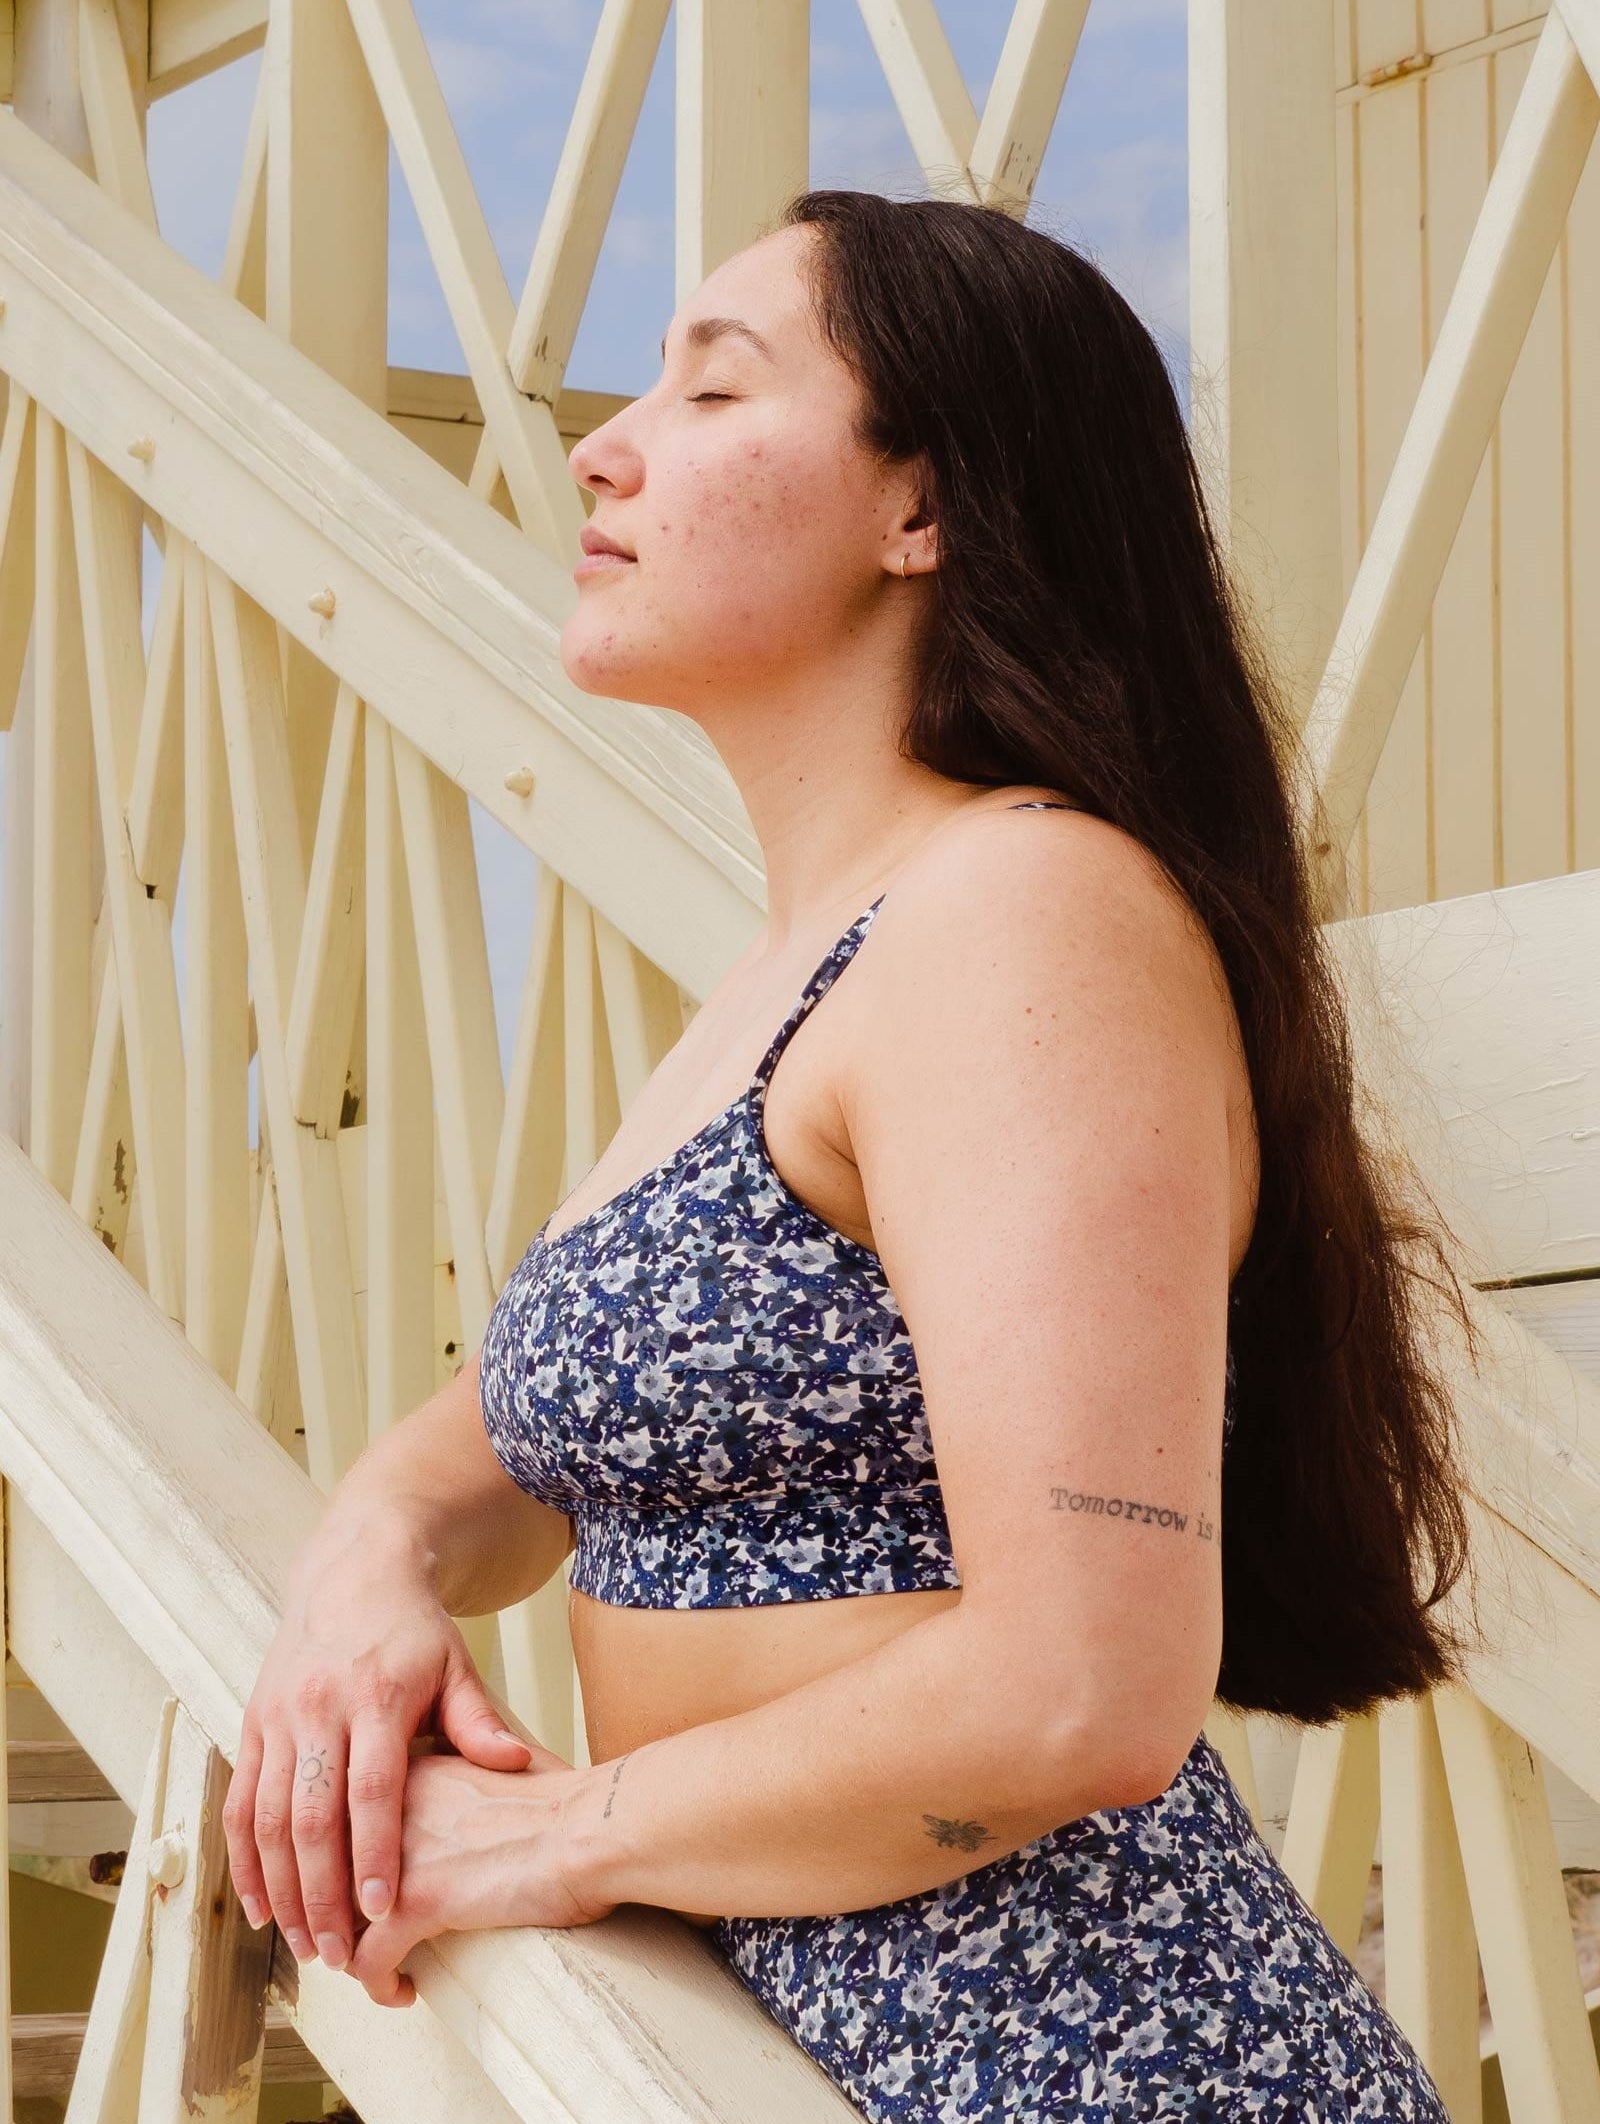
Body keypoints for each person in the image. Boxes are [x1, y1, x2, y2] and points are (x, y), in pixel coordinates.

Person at [224, 189, 1481, 2120]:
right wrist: (371, 1562)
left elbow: (1085, 1685)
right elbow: (500, 1441)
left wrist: (562, 1836)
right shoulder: (807, 972)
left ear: (926, 510)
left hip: (1074, 2063)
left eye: (716, 392)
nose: (605, 440)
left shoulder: (1025, 909)